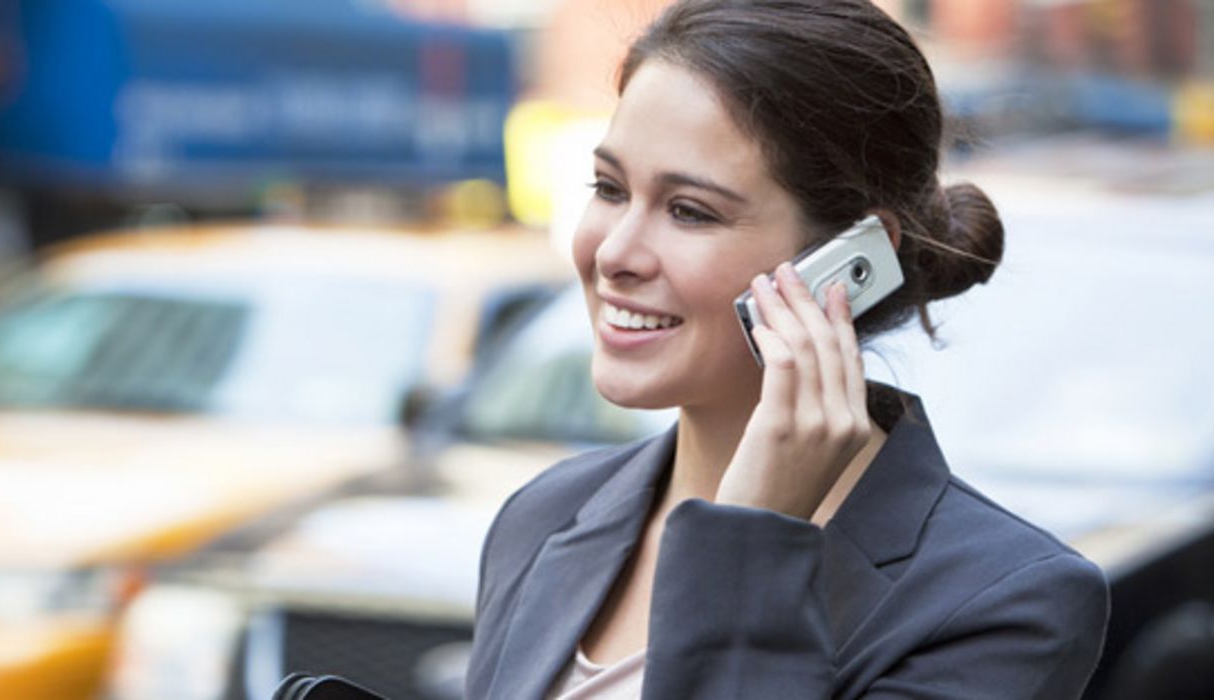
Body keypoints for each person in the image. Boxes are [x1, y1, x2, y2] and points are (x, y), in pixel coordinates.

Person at [465, 1, 1109, 698]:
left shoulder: (1003, 604)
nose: (614, 252)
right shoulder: (545, 515)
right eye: (609, 189)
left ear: (846, 262)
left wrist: (750, 539)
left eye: (689, 211)